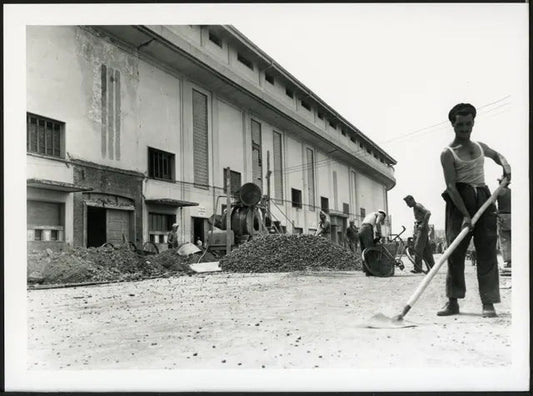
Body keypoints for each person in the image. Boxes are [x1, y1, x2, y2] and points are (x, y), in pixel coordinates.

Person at [438, 103, 511, 318]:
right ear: (453, 124)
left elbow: (497, 155)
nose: (464, 128)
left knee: (487, 250)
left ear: (473, 123)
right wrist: (465, 215)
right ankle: (453, 301)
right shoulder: (448, 153)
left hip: (484, 198)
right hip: (459, 200)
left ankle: (488, 302)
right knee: (455, 251)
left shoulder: (479, 146)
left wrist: (506, 165)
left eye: (468, 124)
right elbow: (451, 187)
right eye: (460, 124)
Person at [403, 195, 435, 274]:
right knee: (426, 250)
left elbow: (428, 213)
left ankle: (418, 268)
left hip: (422, 228)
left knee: (417, 248)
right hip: (420, 228)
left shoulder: (417, 206)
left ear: (412, 200)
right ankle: (433, 267)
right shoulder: (415, 207)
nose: (407, 205)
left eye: (408, 203)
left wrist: (423, 224)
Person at [496, 179, 511, 270]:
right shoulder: (511, 192)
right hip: (512, 215)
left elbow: (492, 204)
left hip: (503, 216)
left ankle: (509, 260)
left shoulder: (499, 191)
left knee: (505, 240)